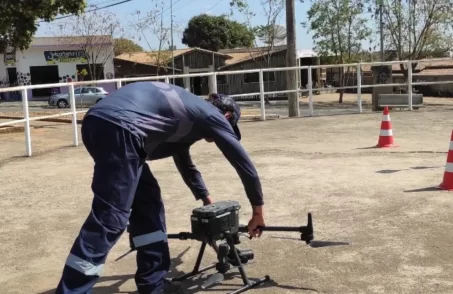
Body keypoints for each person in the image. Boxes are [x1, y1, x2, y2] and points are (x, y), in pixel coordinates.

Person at [55, 81, 266, 294]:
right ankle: (73, 290)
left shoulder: (187, 119)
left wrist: (206, 199)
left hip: (99, 123)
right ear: (228, 116)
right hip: (122, 127)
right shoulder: (212, 115)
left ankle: (153, 284)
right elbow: (243, 164)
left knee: (149, 203)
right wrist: (258, 211)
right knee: (111, 217)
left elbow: (186, 165)